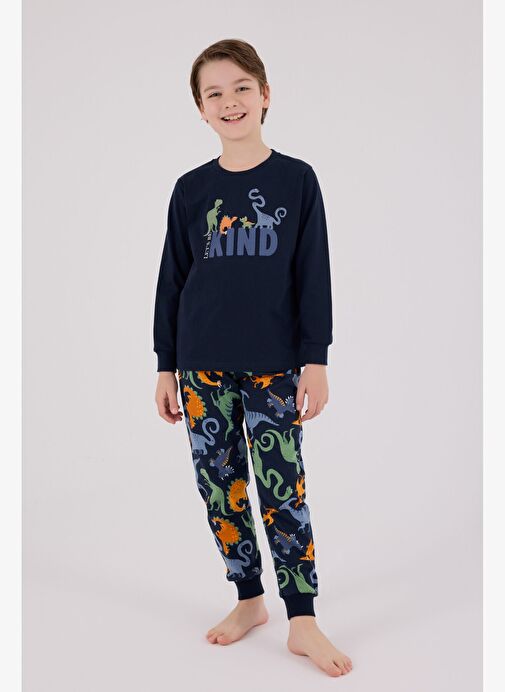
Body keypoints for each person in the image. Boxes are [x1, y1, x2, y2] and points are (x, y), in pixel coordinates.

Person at [153, 38, 353, 678]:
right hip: (200, 366)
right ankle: (248, 599)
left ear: (265, 94)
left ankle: (302, 619)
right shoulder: (191, 191)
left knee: (282, 488)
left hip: (273, 365)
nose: (230, 101)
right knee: (221, 486)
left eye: (241, 87)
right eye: (214, 93)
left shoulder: (297, 180)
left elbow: (313, 273)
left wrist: (314, 358)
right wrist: (165, 364)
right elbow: (171, 280)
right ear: (201, 109)